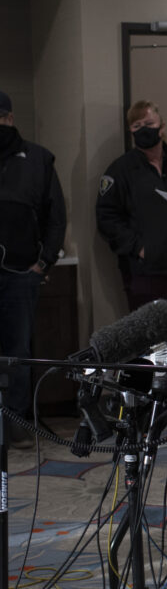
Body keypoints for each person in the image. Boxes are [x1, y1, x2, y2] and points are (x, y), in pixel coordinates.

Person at [0, 90, 66, 449]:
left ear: (9, 118)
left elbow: (56, 216)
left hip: (20, 274)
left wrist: (44, 261)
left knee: (17, 351)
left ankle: (16, 422)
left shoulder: (37, 159)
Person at [96, 100, 167, 310]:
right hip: (144, 271)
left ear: (162, 126)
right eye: (137, 126)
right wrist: (138, 248)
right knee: (150, 337)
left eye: (149, 123)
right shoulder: (120, 170)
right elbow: (107, 218)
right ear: (130, 130)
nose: (144, 129)